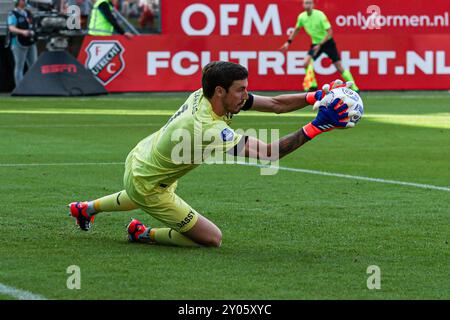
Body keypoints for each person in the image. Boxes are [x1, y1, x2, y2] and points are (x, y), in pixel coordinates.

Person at [68, 61, 357, 248]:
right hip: (149, 182)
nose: (246, 96)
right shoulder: (208, 128)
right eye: (241, 90)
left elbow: (275, 105)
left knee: (139, 189)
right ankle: (141, 233)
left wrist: (315, 97)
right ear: (221, 91)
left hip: (142, 158)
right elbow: (269, 154)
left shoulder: (206, 93)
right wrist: (317, 126)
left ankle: (85, 208)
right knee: (211, 239)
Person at [280, 0, 359, 92]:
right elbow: (296, 29)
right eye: (306, 3)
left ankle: (355, 88)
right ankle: (312, 86)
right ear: (303, 4)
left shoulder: (320, 15)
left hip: (327, 42)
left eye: (309, 3)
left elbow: (330, 32)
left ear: (313, 4)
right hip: (315, 44)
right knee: (306, 63)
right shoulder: (302, 17)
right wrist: (288, 42)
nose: (308, 5)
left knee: (339, 66)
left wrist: (320, 44)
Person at [7, 0, 38, 87]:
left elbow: (33, 24)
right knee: (19, 65)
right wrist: (23, 32)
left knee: (34, 64)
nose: (25, 1)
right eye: (23, 0)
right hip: (18, 41)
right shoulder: (12, 13)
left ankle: (34, 85)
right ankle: (20, 87)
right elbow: (11, 28)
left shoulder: (27, 13)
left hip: (30, 41)